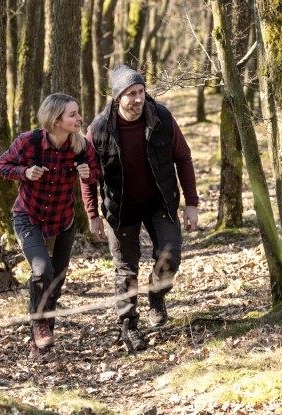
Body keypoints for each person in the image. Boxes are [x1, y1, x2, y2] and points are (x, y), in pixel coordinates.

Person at [81, 65, 199, 351]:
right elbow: (88, 175)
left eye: (141, 92)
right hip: (120, 210)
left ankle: (156, 297)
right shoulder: (98, 130)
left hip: (160, 202)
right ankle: (128, 325)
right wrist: (93, 214)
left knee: (170, 260)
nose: (138, 99)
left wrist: (192, 203)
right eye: (131, 94)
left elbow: (183, 158)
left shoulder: (161, 117)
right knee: (126, 271)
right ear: (117, 97)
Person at [0, 93, 100, 357]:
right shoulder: (29, 142)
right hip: (28, 216)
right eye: (73, 115)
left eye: (78, 113)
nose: (79, 118)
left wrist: (89, 174)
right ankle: (39, 323)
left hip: (63, 220)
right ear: (55, 120)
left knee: (57, 279)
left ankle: (41, 343)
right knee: (42, 270)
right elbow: (2, 165)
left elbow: (98, 172)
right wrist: (24, 172)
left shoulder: (80, 146)